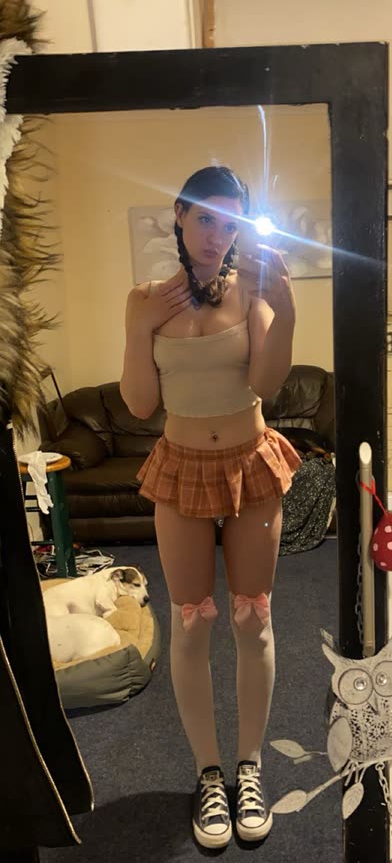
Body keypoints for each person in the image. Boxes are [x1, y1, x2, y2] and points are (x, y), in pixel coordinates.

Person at [120, 165, 300, 849]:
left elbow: (268, 383)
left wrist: (286, 309)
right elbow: (141, 403)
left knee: (254, 620)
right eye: (203, 218)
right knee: (191, 625)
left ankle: (249, 767)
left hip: (251, 464)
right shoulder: (145, 299)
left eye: (229, 223)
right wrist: (141, 328)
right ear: (179, 215)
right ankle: (209, 773)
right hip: (181, 467)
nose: (214, 235)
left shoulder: (255, 291)